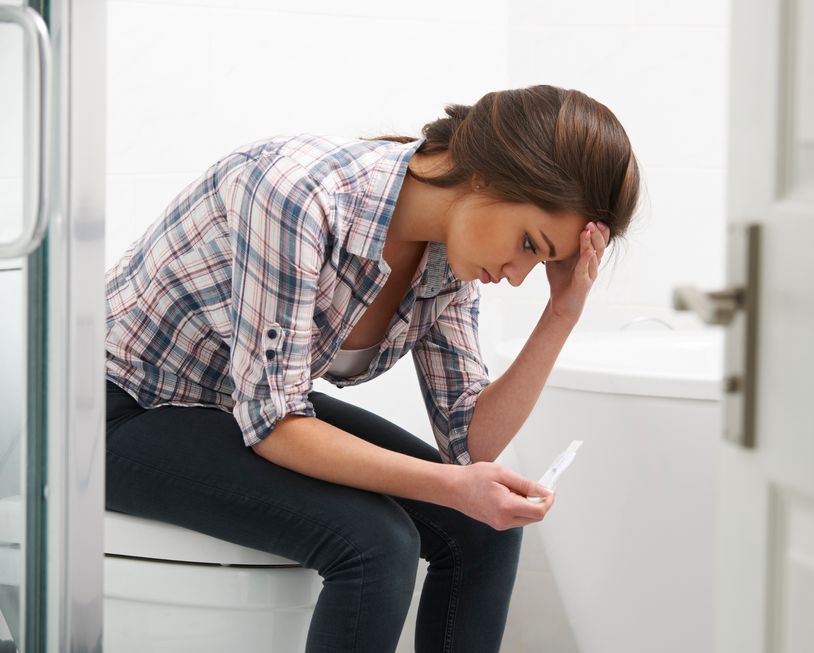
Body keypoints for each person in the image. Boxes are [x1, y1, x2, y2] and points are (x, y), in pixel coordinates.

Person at [103, 84, 639, 652]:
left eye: (541, 260)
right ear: (486, 174)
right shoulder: (298, 193)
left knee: (484, 530)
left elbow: (470, 442)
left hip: (229, 405)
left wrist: (561, 313)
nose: (516, 274)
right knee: (374, 544)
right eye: (530, 243)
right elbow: (275, 422)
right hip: (113, 410)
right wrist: (454, 487)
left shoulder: (448, 262)